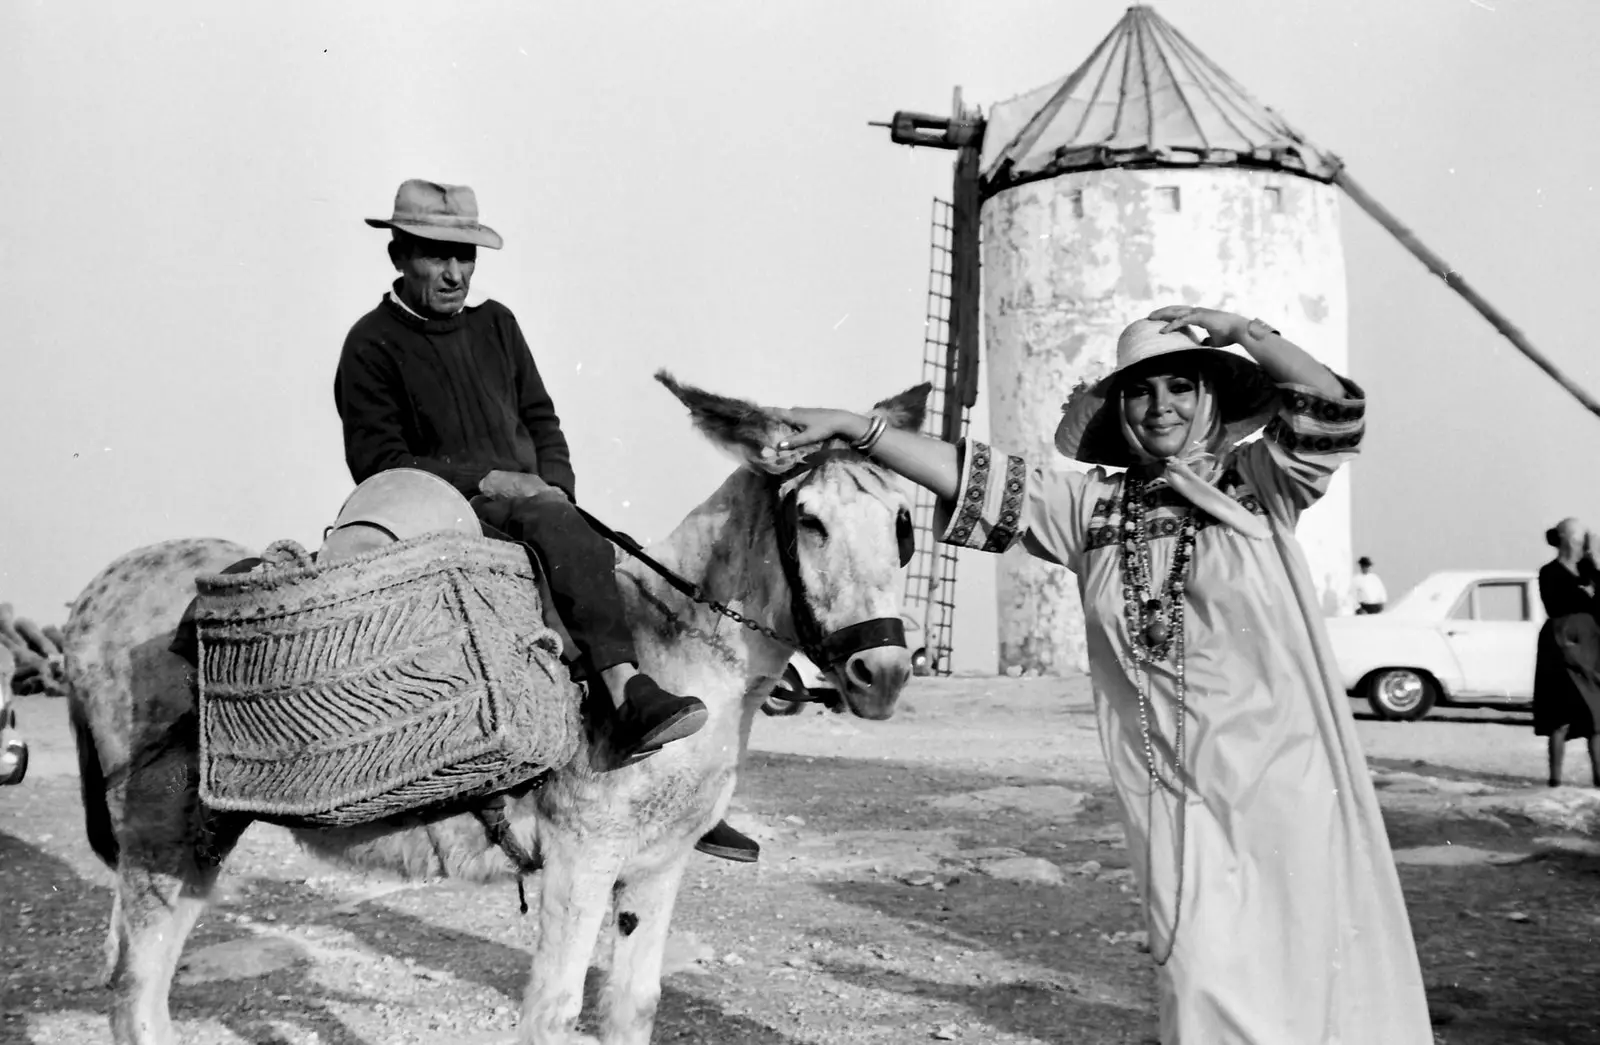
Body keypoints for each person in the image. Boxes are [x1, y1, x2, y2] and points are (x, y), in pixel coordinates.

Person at [775, 307, 1432, 1043]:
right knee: (1202, 968)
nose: (1162, 407)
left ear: (1211, 398)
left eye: (1180, 386)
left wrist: (1242, 331)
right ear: (1119, 410)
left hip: (1284, 778)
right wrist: (853, 427)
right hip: (1176, 788)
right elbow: (971, 474)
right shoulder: (1091, 509)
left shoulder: (1261, 482)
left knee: (1309, 957)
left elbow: (1333, 404)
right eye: (1141, 393)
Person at [332, 179, 756, 862]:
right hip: (444, 521)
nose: (454, 272)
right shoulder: (372, 344)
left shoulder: (497, 324)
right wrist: (490, 482)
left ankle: (681, 795)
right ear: (397, 254)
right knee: (575, 566)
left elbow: (542, 420)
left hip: (537, 508)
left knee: (631, 579)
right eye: (435, 256)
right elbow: (377, 461)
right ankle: (627, 695)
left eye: (465, 256)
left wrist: (552, 486)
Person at [1533, 518, 1600, 788]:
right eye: (1581, 537)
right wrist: (1587, 594)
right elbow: (1557, 605)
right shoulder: (1550, 572)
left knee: (1597, 717)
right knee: (1559, 718)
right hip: (1562, 645)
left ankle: (1598, 779)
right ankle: (1555, 779)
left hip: (1591, 646)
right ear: (1568, 539)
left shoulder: (1590, 570)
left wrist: (1593, 563)